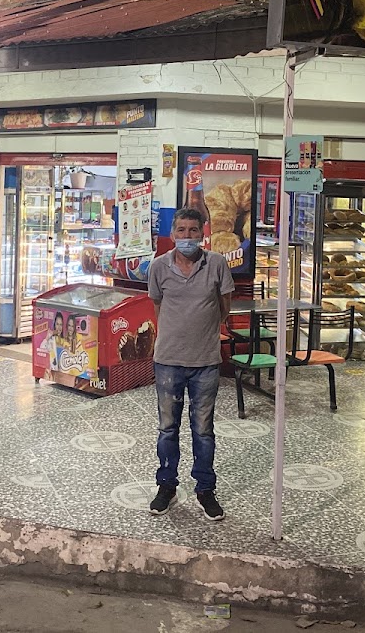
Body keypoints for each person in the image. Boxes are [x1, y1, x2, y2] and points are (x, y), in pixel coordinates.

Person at [146, 207, 234, 521]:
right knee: (168, 429)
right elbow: (159, 305)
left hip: (206, 361)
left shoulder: (217, 264)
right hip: (168, 360)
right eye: (181, 230)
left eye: (192, 231)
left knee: (203, 430)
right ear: (173, 234)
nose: (186, 237)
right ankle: (166, 486)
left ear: (202, 233)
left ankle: (205, 489)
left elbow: (224, 308)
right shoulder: (158, 267)